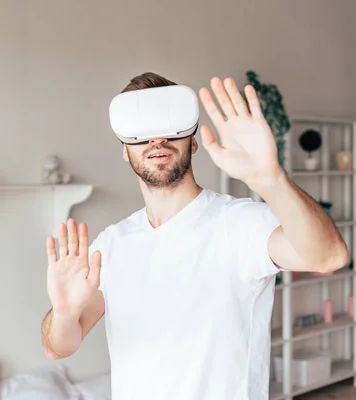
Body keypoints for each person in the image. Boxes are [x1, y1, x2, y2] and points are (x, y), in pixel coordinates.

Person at [40, 72, 349, 399]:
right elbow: (57, 348)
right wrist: (64, 314)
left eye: (169, 125)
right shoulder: (112, 246)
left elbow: (330, 257)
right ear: (124, 150)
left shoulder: (238, 224)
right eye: (142, 132)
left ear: (193, 140)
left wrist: (270, 178)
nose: (156, 140)